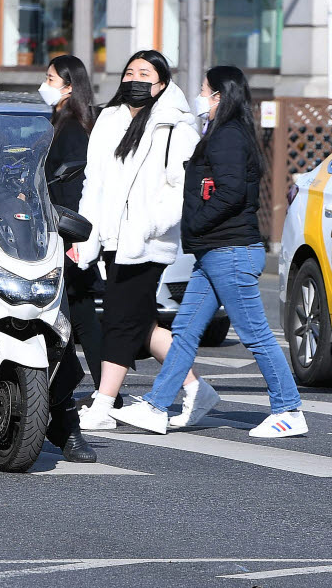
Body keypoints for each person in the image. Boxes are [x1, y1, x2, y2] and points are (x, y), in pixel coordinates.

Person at [110, 67, 307, 437]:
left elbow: (231, 193)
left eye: (204, 91)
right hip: (215, 252)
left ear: (219, 96)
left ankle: (289, 409)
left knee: (256, 335)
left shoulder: (228, 137)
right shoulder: (222, 134)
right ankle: (155, 406)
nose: (200, 97)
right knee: (183, 331)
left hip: (230, 251)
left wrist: (195, 223)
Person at [74, 49, 219, 431]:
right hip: (111, 239)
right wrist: (86, 234)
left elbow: (180, 190)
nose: (134, 79)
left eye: (145, 73)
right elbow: (95, 182)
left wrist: (145, 226)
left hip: (148, 242)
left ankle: (103, 405)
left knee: (121, 320)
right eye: (129, 71)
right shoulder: (110, 119)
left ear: (162, 83)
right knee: (142, 325)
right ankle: (195, 388)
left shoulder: (175, 126)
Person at [37, 55, 100, 462]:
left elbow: (71, 183)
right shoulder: (62, 121)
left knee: (78, 312)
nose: (44, 85)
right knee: (80, 314)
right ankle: (104, 386)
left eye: (50, 79)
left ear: (69, 85)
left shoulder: (73, 128)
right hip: (60, 230)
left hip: (67, 230)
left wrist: (74, 234)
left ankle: (103, 388)